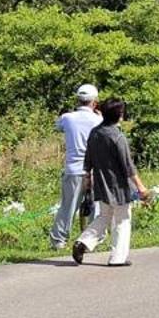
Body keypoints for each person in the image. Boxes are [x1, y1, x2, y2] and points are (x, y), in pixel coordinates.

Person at [73, 99, 151, 267]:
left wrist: (87, 180)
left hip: (101, 183)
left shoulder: (95, 133)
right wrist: (141, 187)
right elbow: (128, 166)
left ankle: (83, 242)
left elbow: (88, 160)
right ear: (119, 115)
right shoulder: (117, 137)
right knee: (122, 220)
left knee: (105, 216)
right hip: (119, 186)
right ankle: (117, 257)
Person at [50, 83, 101, 251]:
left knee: (68, 206)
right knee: (95, 207)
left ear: (78, 100)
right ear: (94, 102)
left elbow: (57, 127)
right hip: (94, 170)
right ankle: (91, 240)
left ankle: (59, 240)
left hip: (73, 169)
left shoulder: (67, 118)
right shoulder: (98, 120)